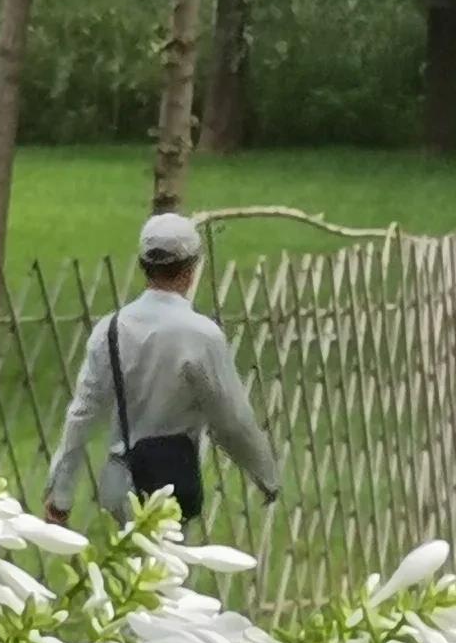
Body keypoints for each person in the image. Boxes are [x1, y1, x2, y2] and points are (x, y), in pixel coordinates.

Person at [42, 211, 283, 529]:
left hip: (119, 483)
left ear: (144, 265)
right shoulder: (201, 335)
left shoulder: (111, 329)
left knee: (125, 574)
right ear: (192, 267)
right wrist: (265, 475)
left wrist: (61, 494)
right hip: (168, 484)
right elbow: (231, 419)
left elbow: (82, 414)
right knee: (165, 576)